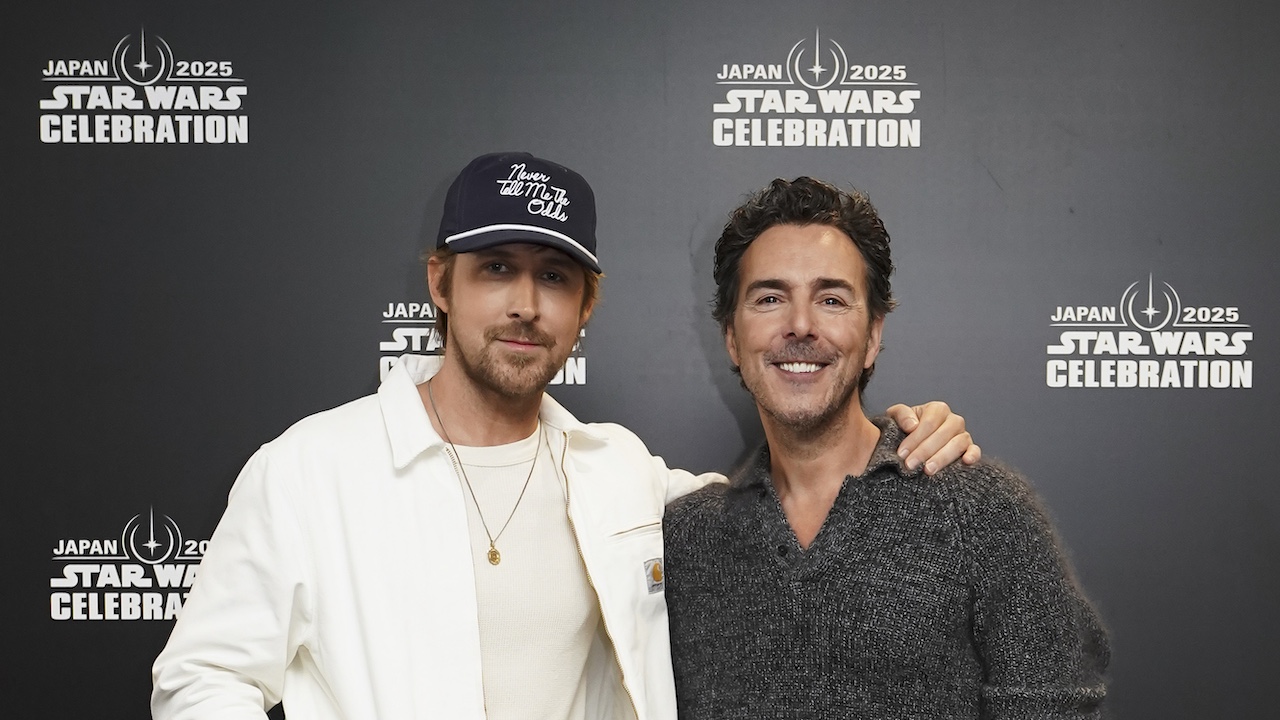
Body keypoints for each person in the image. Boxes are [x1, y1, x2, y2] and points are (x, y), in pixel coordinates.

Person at [151, 153, 978, 720]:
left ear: (585, 306)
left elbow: (797, 502)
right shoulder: (310, 470)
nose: (525, 305)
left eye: (553, 278)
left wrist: (902, 437)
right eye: (496, 269)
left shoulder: (619, 472)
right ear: (440, 282)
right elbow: (201, 679)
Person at [664, 177, 1110, 719]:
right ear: (732, 338)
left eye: (831, 299)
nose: (800, 325)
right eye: (770, 298)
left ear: (873, 335)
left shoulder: (984, 511)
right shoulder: (684, 538)